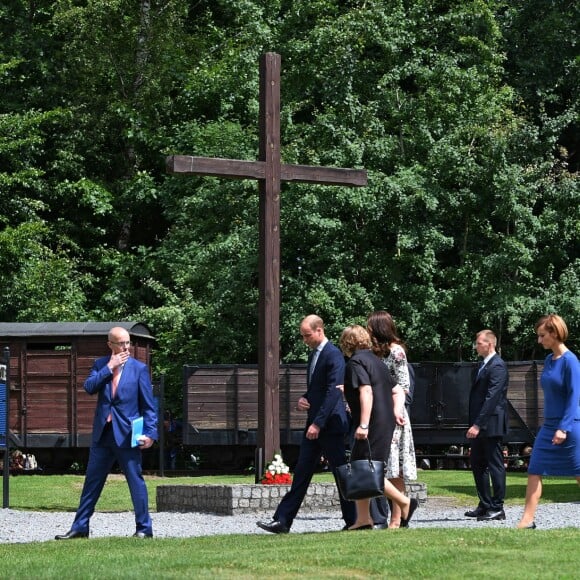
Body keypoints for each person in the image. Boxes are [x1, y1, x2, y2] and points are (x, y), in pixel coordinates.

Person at [55, 326, 158, 539]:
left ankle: (144, 529)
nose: (125, 347)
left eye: (127, 342)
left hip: (128, 435)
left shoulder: (139, 369)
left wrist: (150, 433)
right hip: (103, 435)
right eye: (120, 343)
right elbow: (89, 387)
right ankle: (80, 527)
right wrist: (110, 367)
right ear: (110, 344)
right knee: (92, 482)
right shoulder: (100, 365)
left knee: (135, 480)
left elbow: (149, 406)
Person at [257, 315, 356, 533]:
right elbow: (319, 390)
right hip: (316, 423)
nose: (305, 340)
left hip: (330, 425)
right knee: (301, 472)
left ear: (319, 330)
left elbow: (333, 392)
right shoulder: (314, 356)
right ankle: (283, 520)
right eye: (303, 336)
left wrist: (318, 424)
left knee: (340, 473)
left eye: (307, 335)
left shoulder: (334, 355)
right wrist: (305, 398)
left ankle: (354, 520)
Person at [339, 325, 418, 530]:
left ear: (347, 343)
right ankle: (363, 518)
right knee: (361, 466)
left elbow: (366, 392)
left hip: (371, 423)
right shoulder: (376, 360)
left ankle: (404, 502)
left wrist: (364, 424)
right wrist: (395, 412)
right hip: (384, 422)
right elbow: (397, 390)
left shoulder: (356, 362)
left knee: (367, 469)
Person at [517, 314, 580, 529]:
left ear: (554, 333)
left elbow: (574, 397)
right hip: (549, 425)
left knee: (578, 471)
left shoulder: (571, 361)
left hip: (569, 425)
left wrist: (564, 428)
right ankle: (527, 520)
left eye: (542, 335)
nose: (539, 340)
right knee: (535, 468)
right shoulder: (548, 360)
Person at [366, 311, 417, 528]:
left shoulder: (396, 352)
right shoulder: (371, 353)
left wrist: (396, 411)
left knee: (395, 469)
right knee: (382, 468)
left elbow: (404, 386)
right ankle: (401, 510)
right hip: (377, 414)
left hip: (394, 414)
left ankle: (397, 518)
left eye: (370, 327)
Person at [464, 329, 509, 522]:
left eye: (479, 343)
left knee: (494, 464)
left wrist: (478, 424)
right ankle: (485, 504)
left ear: (489, 344)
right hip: (480, 424)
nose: (476, 346)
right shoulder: (482, 365)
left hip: (491, 424)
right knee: (477, 464)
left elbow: (492, 398)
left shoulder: (497, 366)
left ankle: (497, 507)